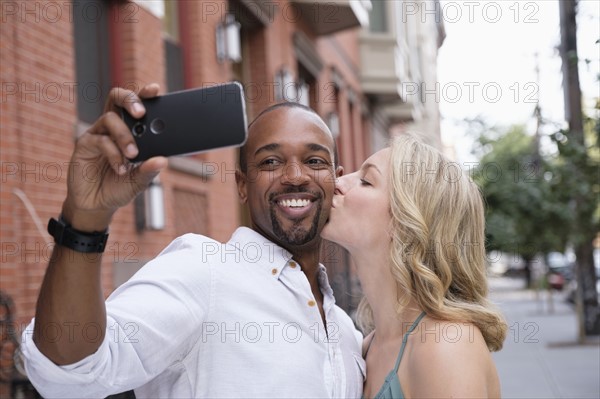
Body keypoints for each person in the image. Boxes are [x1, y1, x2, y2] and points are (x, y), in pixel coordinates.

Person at [21, 84, 365, 398]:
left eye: (314, 160)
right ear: (242, 185)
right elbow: (70, 372)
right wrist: (83, 222)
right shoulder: (204, 270)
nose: (294, 176)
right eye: (271, 161)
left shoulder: (346, 331)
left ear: (335, 181)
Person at [321, 134, 507, 399]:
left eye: (365, 181)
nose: (337, 182)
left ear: (406, 222)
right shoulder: (369, 347)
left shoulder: (446, 345)